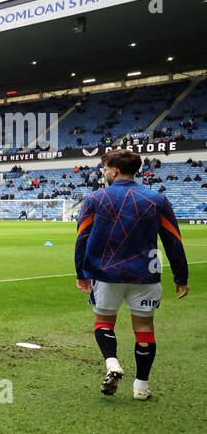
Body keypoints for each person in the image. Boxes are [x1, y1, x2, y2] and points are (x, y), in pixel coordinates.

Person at [75, 148, 188, 399]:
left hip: (105, 274)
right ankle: (141, 387)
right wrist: (181, 276)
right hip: (145, 274)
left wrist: (81, 272)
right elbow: (173, 240)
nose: (103, 173)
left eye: (105, 168)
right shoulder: (157, 200)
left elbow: (82, 237)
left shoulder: (94, 198)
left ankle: (112, 362)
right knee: (145, 327)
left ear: (115, 170)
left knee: (104, 321)